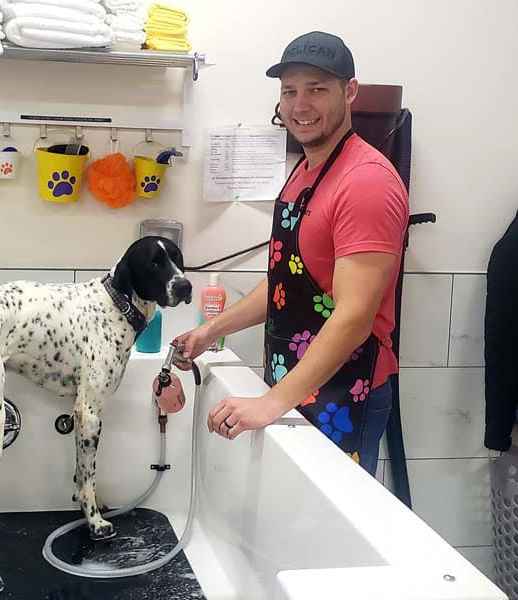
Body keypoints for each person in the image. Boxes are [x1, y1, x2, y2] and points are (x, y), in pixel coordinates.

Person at [175, 31, 409, 476]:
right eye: (290, 91)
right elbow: (290, 282)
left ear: (350, 91)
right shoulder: (306, 171)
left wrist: (271, 403)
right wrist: (211, 331)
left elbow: (354, 317)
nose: (300, 106)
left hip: (345, 388)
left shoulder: (366, 182)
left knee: (327, 536)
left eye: (317, 89)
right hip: (295, 380)